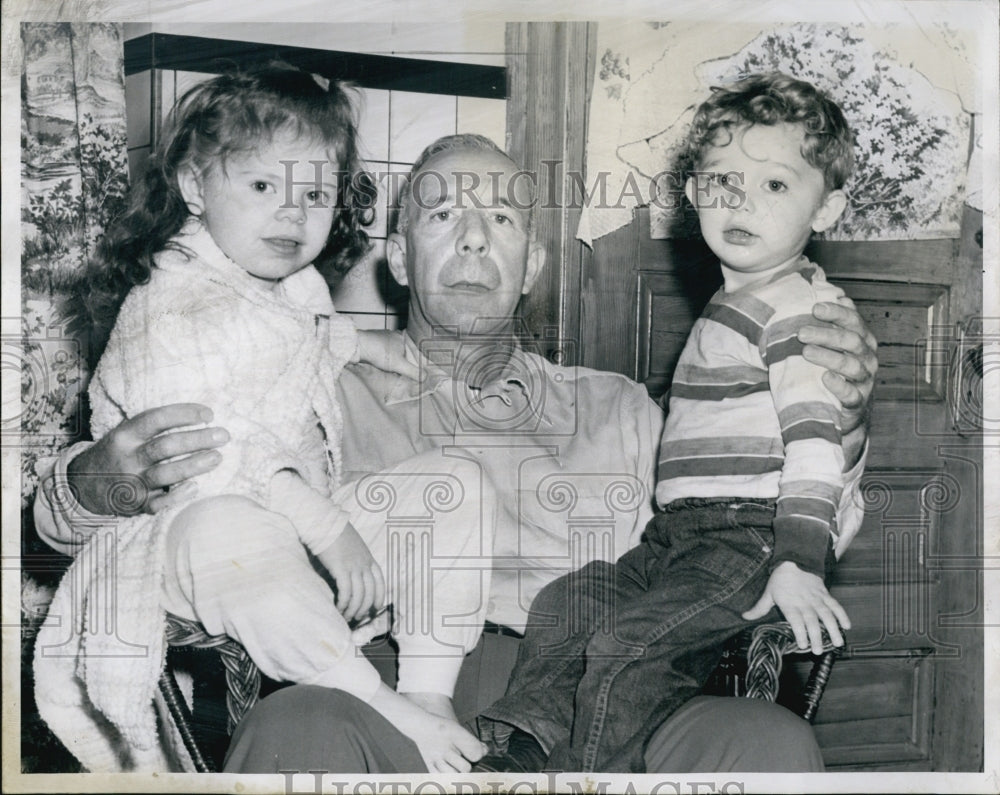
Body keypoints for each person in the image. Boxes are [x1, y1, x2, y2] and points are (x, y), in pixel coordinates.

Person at [34, 133, 879, 774]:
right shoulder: (312, 389)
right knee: (300, 728)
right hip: (390, 690)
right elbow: (120, 540)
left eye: (502, 219)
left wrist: (839, 414)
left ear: (532, 262)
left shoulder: (622, 406)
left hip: (601, 689)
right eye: (443, 216)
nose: (474, 240)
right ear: (399, 259)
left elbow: (756, 525)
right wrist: (97, 481)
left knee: (762, 738)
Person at [32, 68, 492, 774]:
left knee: (453, 482)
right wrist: (330, 528)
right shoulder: (168, 305)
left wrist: (374, 346)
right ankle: (378, 699)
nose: (292, 213)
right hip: (189, 532)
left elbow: (311, 335)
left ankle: (428, 692)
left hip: (299, 526)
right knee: (228, 531)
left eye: (314, 193)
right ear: (194, 186)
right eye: (262, 186)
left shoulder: (290, 285)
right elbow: (220, 448)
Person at [476, 73, 863, 773]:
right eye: (722, 180)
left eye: (775, 185)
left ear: (828, 206)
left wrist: (800, 558)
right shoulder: (734, 301)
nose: (742, 200)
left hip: (749, 535)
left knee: (630, 646)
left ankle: (581, 777)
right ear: (691, 193)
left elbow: (817, 447)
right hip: (674, 537)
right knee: (571, 603)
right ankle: (524, 748)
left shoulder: (801, 311)